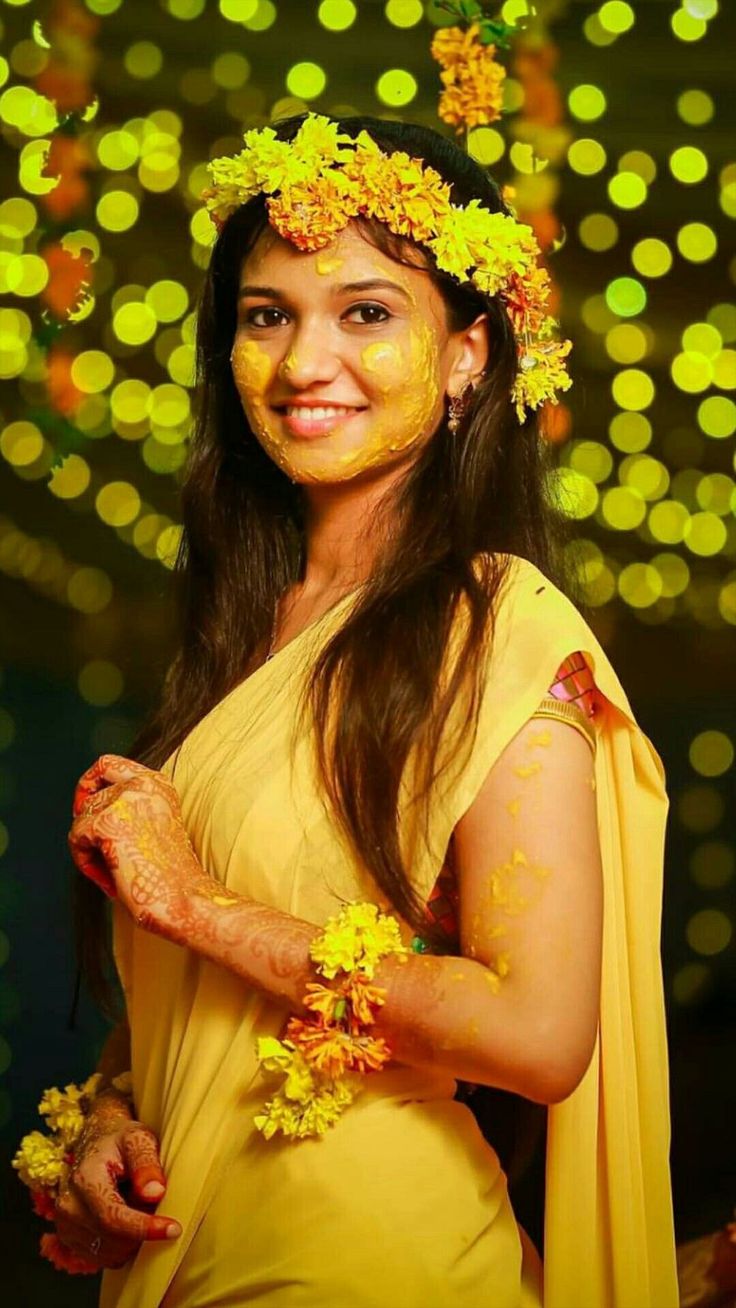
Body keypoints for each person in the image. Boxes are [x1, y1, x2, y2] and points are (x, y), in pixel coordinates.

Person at [60, 112, 679, 1307]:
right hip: (190, 1253)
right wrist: (107, 1120)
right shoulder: (245, 626)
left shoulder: (495, 626)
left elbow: (538, 1035)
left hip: (370, 1262)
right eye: (264, 314)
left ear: (465, 352)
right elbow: (190, 1002)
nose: (301, 364)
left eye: (366, 312)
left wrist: (189, 900)